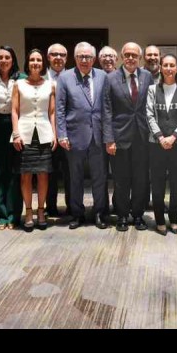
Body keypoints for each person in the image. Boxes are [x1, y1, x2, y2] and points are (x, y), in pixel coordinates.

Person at [55, 42, 109, 228]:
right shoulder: (65, 78)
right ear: (75, 58)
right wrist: (62, 134)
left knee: (99, 178)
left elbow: (106, 108)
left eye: (88, 57)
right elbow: (60, 109)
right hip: (74, 136)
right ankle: (77, 214)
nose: (84, 60)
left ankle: (99, 213)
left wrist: (108, 136)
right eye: (80, 57)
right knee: (75, 178)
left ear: (94, 59)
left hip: (98, 136)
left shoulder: (102, 76)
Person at [103, 42, 154, 231]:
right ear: (122, 57)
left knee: (141, 179)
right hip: (119, 137)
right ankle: (123, 215)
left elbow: (152, 106)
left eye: (134, 55)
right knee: (121, 180)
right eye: (127, 55)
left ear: (140, 58)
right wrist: (109, 139)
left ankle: (138, 215)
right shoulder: (111, 78)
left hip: (143, 137)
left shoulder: (147, 76)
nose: (131, 58)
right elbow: (107, 110)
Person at [146, 54, 177, 235]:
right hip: (156, 145)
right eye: (165, 65)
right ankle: (159, 219)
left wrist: (173, 137)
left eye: (172, 65)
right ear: (160, 67)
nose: (168, 68)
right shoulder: (152, 89)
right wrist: (160, 137)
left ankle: (174, 218)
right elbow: (149, 115)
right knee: (157, 183)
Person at [12, 49, 57, 232]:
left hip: (44, 133)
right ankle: (29, 212)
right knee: (26, 175)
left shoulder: (51, 85)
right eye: (32, 60)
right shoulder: (19, 84)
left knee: (43, 174)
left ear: (43, 63)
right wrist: (16, 133)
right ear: (27, 63)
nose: (35, 63)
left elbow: (52, 112)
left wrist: (54, 134)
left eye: (38, 60)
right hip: (25, 134)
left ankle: (41, 211)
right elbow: (14, 110)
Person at [0, 46, 25, 230]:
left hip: (16, 127)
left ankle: (14, 215)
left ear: (13, 60)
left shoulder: (22, 79)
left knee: (14, 172)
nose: (4, 60)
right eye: (0, 57)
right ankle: (0, 216)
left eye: (7, 57)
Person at [45, 43, 71, 217]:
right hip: (47, 132)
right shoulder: (41, 77)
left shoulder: (73, 77)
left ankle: (72, 206)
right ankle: (51, 207)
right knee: (50, 172)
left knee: (71, 173)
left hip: (70, 133)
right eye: (55, 54)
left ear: (66, 58)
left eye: (62, 55)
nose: (58, 58)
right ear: (48, 57)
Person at [98, 45, 118, 213]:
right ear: (99, 60)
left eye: (111, 56)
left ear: (116, 59)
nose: (108, 59)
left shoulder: (122, 77)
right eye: (104, 56)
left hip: (119, 134)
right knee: (101, 174)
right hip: (97, 134)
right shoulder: (95, 77)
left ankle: (119, 204)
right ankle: (102, 207)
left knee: (120, 174)